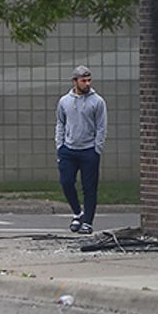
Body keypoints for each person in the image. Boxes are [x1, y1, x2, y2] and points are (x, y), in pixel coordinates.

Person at [55, 65, 107, 235]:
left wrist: (97, 148)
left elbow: (101, 127)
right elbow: (60, 123)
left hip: (89, 150)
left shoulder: (97, 101)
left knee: (89, 187)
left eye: (89, 80)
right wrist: (60, 145)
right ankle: (78, 213)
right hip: (68, 149)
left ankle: (88, 222)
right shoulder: (65, 101)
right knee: (67, 182)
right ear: (75, 81)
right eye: (83, 80)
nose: (87, 83)